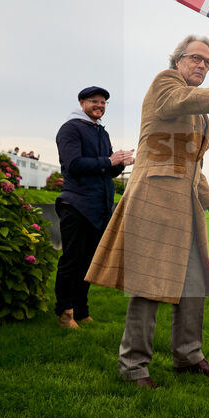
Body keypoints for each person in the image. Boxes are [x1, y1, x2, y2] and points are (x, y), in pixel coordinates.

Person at [85, 34, 209, 389]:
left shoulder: (198, 111)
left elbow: (192, 165)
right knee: (149, 284)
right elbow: (181, 100)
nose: (202, 65)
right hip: (154, 201)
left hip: (184, 206)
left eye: (207, 62)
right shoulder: (166, 84)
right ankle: (133, 367)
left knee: (193, 284)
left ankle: (188, 356)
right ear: (178, 60)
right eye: (196, 58)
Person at [54, 86, 134, 329]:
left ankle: (81, 310)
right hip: (76, 205)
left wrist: (121, 163)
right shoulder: (70, 128)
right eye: (94, 101)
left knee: (89, 263)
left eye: (103, 102)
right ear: (82, 103)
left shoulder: (101, 132)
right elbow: (74, 164)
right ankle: (64, 312)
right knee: (72, 261)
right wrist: (109, 160)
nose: (99, 105)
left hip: (98, 209)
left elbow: (106, 170)